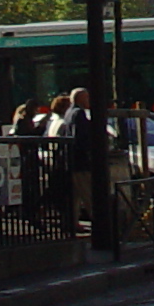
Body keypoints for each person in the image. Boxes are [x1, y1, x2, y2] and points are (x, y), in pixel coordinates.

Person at [57, 86, 101, 231]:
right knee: (88, 193)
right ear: (80, 99)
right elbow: (81, 137)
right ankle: (100, 224)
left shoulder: (69, 113)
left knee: (75, 195)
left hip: (70, 160)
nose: (89, 100)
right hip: (80, 160)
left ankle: (71, 222)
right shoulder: (79, 113)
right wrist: (89, 152)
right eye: (86, 97)